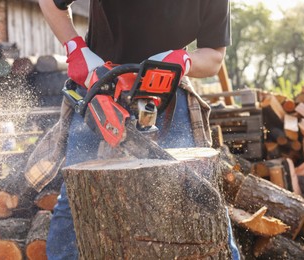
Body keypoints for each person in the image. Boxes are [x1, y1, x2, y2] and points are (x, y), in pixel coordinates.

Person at [38, 0, 239, 259]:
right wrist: (76, 48)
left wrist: (182, 60)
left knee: (195, 193)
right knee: (76, 200)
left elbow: (213, 56)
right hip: (101, 84)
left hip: (166, 90)